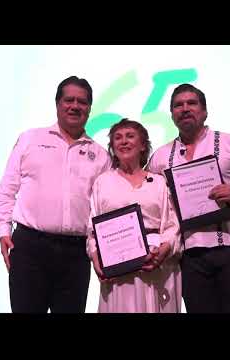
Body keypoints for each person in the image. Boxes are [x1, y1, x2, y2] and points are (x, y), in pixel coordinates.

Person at [0, 75, 111, 313]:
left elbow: (105, 208)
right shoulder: (30, 139)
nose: (75, 106)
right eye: (69, 100)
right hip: (29, 248)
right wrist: (4, 230)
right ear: (58, 104)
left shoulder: (100, 155)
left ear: (89, 108)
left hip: (76, 254)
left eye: (82, 102)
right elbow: (8, 189)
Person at [147, 83, 230, 313]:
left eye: (191, 103)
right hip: (188, 255)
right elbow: (152, 203)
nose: (185, 109)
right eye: (178, 105)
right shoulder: (160, 157)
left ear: (204, 111)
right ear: (172, 115)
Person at [87, 118, 181, 313]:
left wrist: (164, 249)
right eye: (118, 138)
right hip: (117, 267)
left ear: (143, 145)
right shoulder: (102, 183)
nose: (124, 141)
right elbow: (92, 231)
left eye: (130, 136)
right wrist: (96, 258)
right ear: (112, 147)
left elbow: (173, 224)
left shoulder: (158, 182)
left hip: (155, 264)